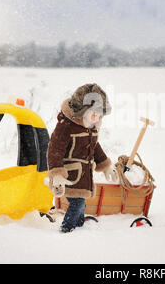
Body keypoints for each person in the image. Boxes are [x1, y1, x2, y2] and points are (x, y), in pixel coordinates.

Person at [47, 83, 118, 233]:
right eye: (94, 114)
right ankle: (66, 230)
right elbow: (55, 150)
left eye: (100, 115)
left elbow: (95, 147)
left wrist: (104, 165)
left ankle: (78, 227)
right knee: (77, 203)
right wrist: (57, 174)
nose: (97, 118)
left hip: (83, 176)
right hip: (69, 176)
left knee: (81, 204)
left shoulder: (90, 128)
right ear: (82, 111)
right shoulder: (66, 126)